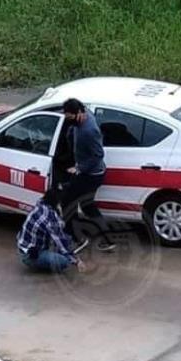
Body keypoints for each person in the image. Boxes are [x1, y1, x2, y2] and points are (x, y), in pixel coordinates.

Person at [60, 98, 116, 252]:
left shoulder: (88, 131)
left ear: (78, 113)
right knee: (87, 205)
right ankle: (108, 239)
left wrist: (79, 168)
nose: (68, 121)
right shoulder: (84, 115)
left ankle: (78, 239)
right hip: (93, 172)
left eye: (70, 117)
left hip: (89, 175)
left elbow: (98, 155)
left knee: (67, 203)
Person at [17, 188, 87, 273]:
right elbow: (61, 242)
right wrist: (76, 261)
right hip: (30, 254)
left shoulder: (40, 204)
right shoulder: (50, 218)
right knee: (64, 261)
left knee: (64, 241)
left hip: (24, 247)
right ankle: (37, 263)